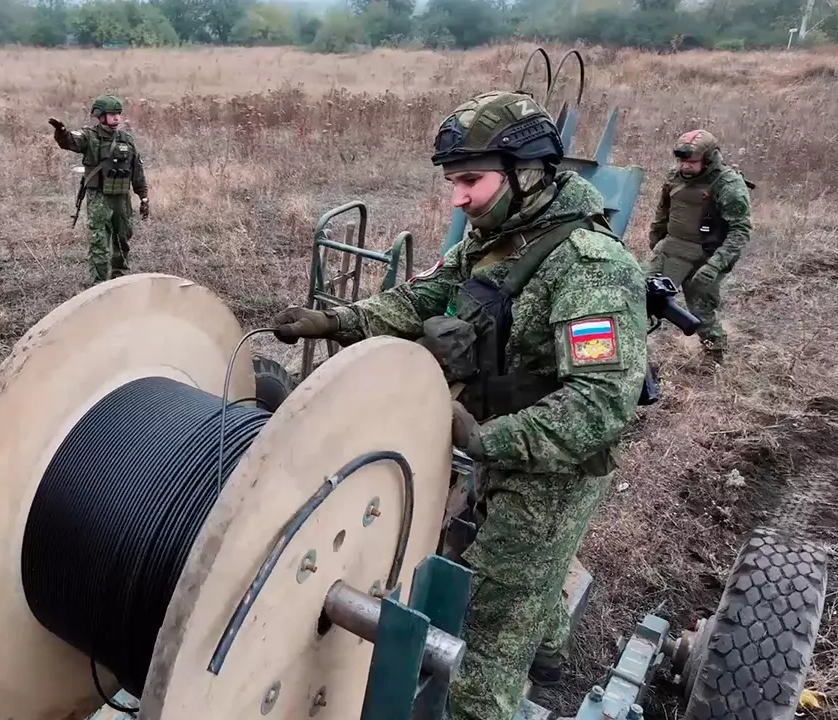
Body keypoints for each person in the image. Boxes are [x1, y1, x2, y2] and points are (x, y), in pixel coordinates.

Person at [271, 90, 649, 720]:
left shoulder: (591, 268)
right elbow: (427, 298)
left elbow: (601, 406)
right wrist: (335, 320)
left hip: (550, 473)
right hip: (498, 441)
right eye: (453, 182)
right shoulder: (494, 237)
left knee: (488, 640)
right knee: (516, 576)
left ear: (526, 174)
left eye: (471, 180)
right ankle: (548, 645)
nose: (458, 198)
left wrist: (484, 442)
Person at [646, 129, 754, 364]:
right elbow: (663, 211)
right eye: (681, 161)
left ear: (709, 158)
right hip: (671, 247)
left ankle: (714, 356)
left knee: (701, 312)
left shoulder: (728, 184)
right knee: (640, 294)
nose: (685, 167)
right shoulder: (674, 177)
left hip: (706, 254)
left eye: (692, 162)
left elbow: (740, 231)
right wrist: (655, 243)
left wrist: (715, 265)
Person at [48, 95, 150, 285]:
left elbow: (137, 170)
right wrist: (61, 131)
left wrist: (143, 197)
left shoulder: (126, 140)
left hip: (121, 198)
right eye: (112, 114)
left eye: (118, 114)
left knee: (122, 238)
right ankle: (100, 284)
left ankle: (119, 278)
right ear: (100, 116)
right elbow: (70, 141)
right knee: (99, 241)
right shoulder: (89, 137)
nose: (116, 119)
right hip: (99, 197)